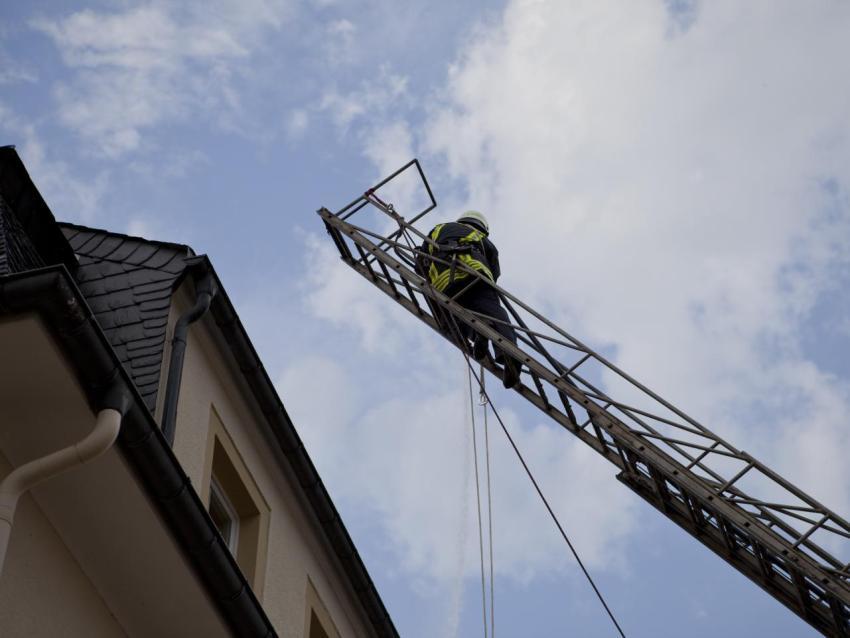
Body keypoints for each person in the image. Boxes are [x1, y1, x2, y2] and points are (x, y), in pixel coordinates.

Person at [419, 210, 521, 388]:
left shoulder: (439, 229)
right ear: (482, 227)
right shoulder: (480, 237)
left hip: (444, 283)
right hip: (474, 273)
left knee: (455, 319)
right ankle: (509, 357)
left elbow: (420, 263)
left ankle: (477, 333)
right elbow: (494, 269)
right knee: (494, 314)